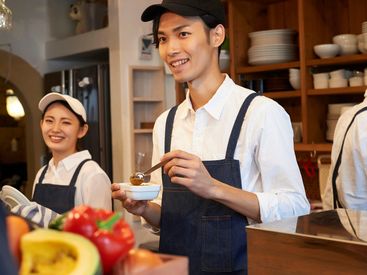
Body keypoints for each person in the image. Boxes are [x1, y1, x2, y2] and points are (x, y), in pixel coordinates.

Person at [112, 0, 310, 274]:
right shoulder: (165, 123)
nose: (171, 49)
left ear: (217, 35)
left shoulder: (261, 113)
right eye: (162, 39)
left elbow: (295, 207)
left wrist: (213, 187)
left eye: (183, 34)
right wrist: (144, 209)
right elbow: (168, 214)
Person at [32, 92, 112, 214]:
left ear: (82, 130)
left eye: (66, 122)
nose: (55, 129)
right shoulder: (41, 174)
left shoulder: (93, 175)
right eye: (49, 121)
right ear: (41, 124)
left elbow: (101, 230)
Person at [322, 91, 367, 210]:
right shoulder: (361, 120)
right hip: (357, 221)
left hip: (345, 220)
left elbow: (331, 191)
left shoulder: (350, 116)